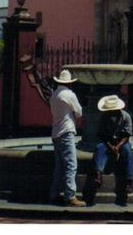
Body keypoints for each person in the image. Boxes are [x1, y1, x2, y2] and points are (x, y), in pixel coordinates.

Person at [83, 94, 133, 207]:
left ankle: (128, 181)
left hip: (122, 142)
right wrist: (111, 146)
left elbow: (127, 136)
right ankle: (98, 176)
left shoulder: (126, 116)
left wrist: (118, 147)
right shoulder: (104, 117)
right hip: (108, 141)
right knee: (99, 148)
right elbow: (102, 135)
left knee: (128, 152)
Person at [48, 68, 85, 207]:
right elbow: (79, 112)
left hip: (55, 132)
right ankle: (70, 196)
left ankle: (54, 193)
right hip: (66, 132)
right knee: (71, 165)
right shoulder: (70, 95)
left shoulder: (54, 95)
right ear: (69, 83)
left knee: (59, 166)